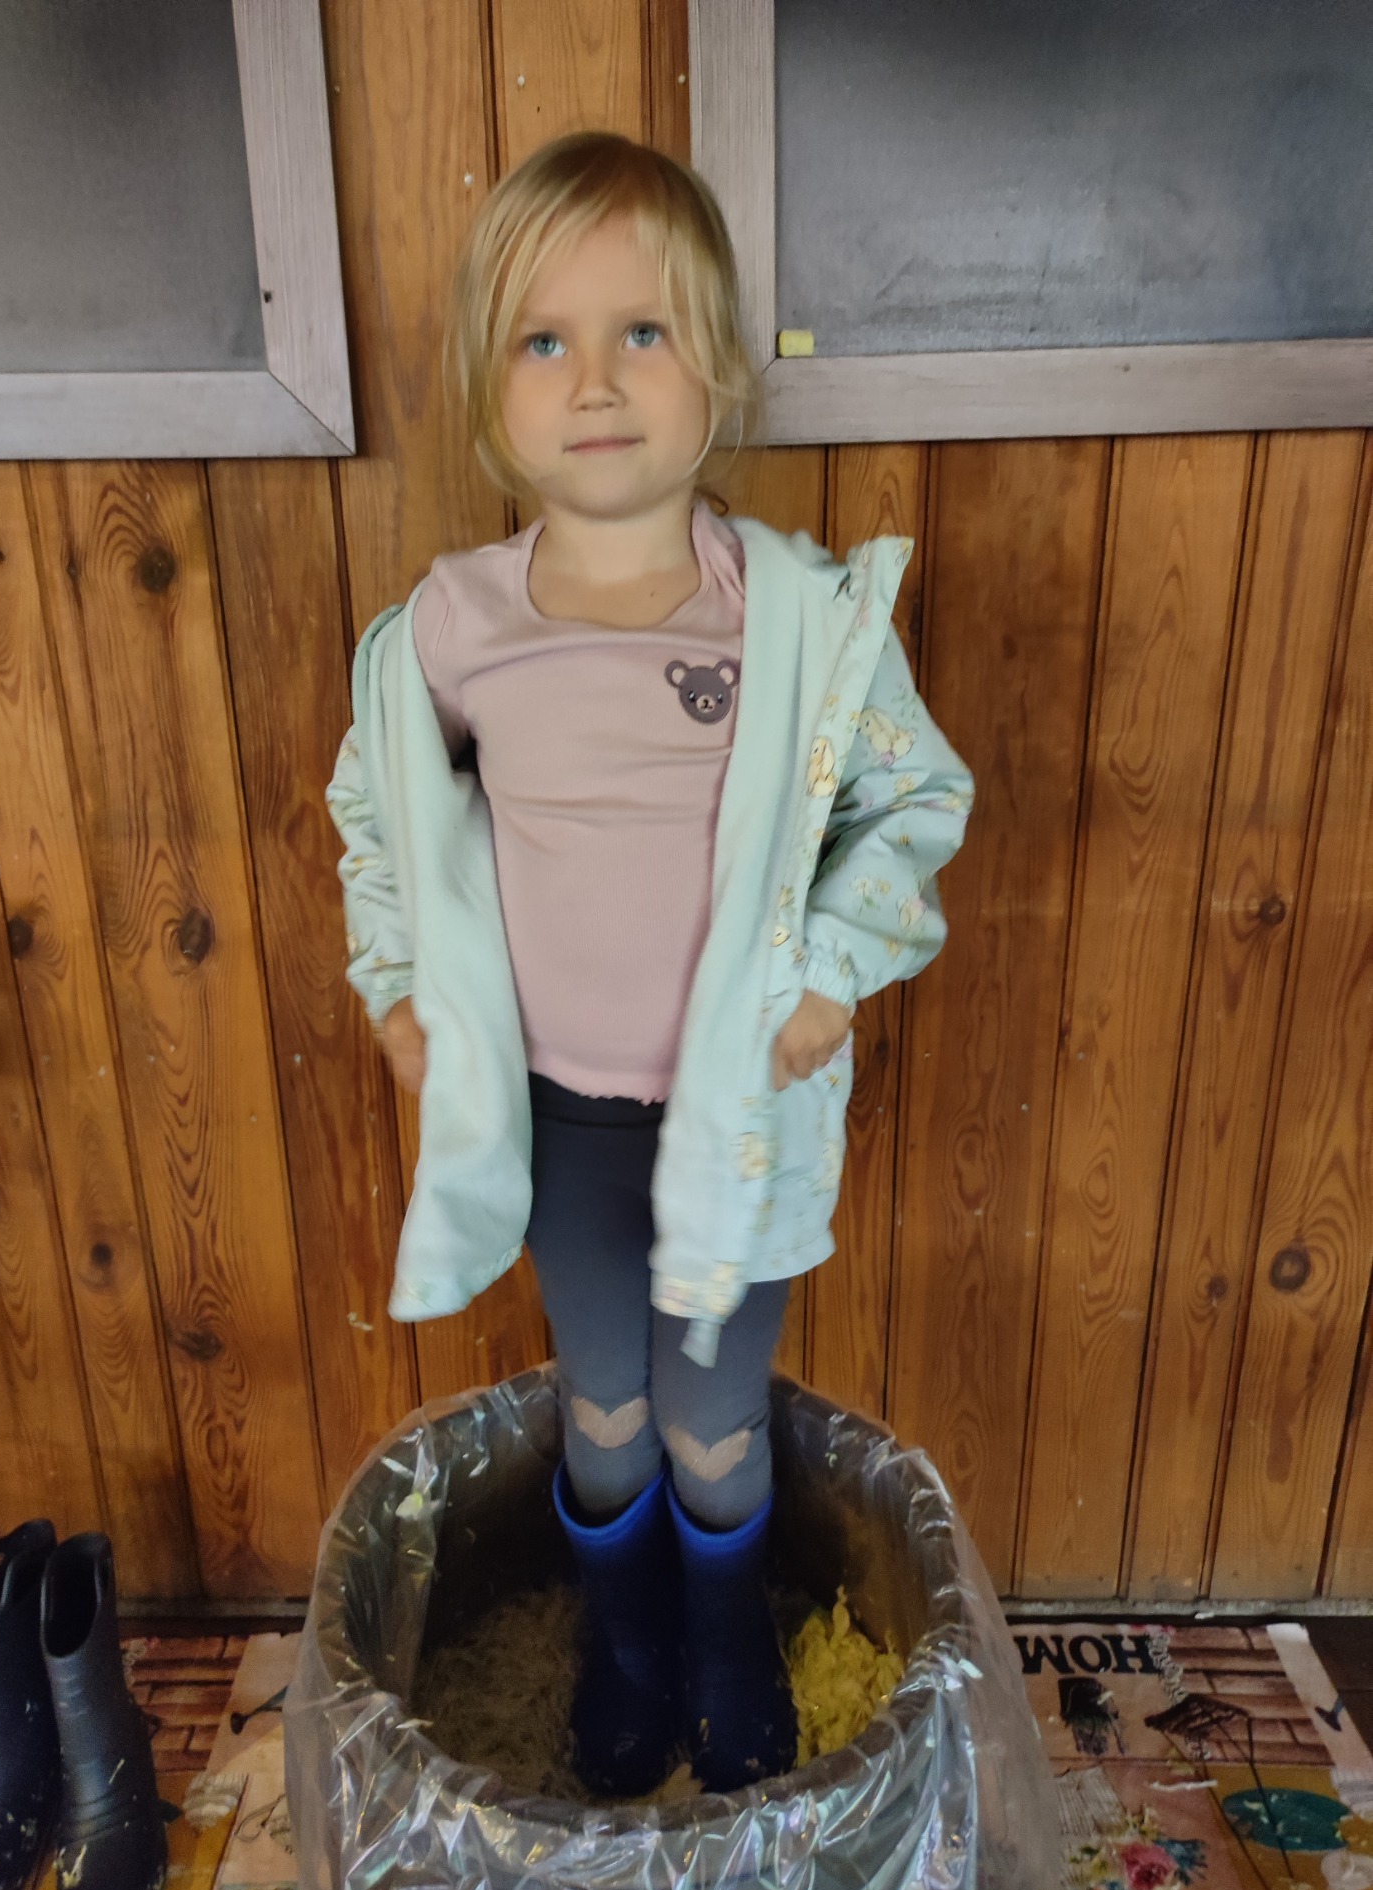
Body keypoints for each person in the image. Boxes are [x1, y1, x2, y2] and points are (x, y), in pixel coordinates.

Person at [327, 130, 974, 1799]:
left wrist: (834, 968)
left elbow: (910, 802)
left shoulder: (793, 620)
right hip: (559, 1121)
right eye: (546, 340)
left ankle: (727, 1631)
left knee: (712, 1417)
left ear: (721, 372)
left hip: (736, 1119)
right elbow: (378, 817)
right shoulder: (455, 628)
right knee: (604, 1403)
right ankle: (626, 1645)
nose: (597, 381)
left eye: (644, 333)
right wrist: (395, 989)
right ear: (490, 386)